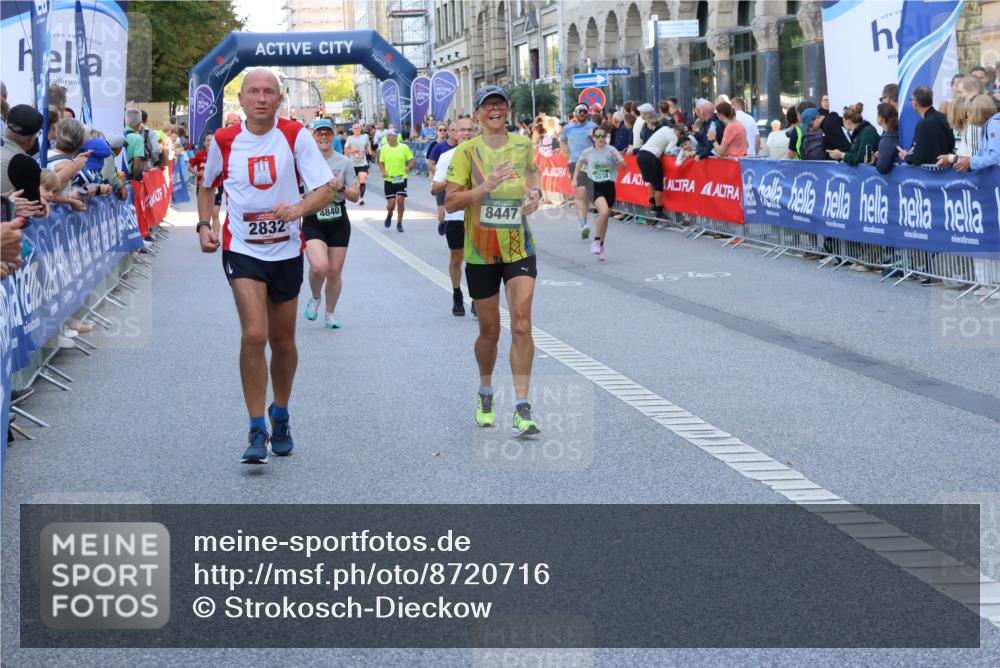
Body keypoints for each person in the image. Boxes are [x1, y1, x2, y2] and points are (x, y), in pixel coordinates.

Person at [196, 68, 334, 464]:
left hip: (287, 251)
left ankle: (281, 413)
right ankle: (256, 425)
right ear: (240, 99)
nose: (260, 98)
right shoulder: (225, 139)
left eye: (268, 92)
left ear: (279, 99)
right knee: (255, 335)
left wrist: (296, 209)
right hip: (242, 249)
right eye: (253, 91)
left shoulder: (295, 136)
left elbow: (326, 191)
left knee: (283, 340)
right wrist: (205, 225)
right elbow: (207, 185)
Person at [444, 85, 543, 436]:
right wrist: (483, 189)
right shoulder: (465, 153)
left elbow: (533, 174)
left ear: (508, 111)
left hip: (519, 246)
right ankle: (486, 392)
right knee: (490, 332)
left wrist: (535, 194)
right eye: (489, 105)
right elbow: (451, 203)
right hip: (481, 252)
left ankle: (521, 406)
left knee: (521, 322)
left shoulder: (522, 145)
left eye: (500, 104)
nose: (496, 109)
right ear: (478, 114)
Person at [301, 118, 359, 330]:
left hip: (337, 220)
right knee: (319, 267)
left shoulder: (343, 162)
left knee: (334, 272)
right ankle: (315, 297)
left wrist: (341, 187)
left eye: (327, 133)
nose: (323, 137)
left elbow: (355, 195)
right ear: (313, 137)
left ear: (333, 136)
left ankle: (330, 313)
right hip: (312, 218)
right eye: (319, 133)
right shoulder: (303, 161)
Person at [432, 117, 476, 316]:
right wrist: (452, 181)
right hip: (455, 215)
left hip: (477, 214)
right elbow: (435, 188)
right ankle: (457, 293)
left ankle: (477, 297)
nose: (466, 133)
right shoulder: (447, 156)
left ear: (475, 132)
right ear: (454, 133)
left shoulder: (482, 155)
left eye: (470, 130)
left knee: (477, 259)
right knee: (457, 258)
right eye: (462, 130)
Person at [573, 128, 625, 261]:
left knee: (606, 216)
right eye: (598, 136)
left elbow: (624, 167)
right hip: (594, 186)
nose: (601, 138)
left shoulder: (612, 150)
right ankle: (596, 241)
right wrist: (575, 177)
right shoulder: (588, 152)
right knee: (603, 212)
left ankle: (601, 245)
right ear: (594, 138)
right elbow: (579, 163)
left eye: (604, 136)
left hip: (609, 186)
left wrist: (618, 161)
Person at [561, 103, 598, 238]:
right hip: (575, 163)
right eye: (580, 111)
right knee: (580, 192)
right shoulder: (568, 128)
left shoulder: (593, 127)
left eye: (584, 111)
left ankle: (584, 220)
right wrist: (566, 149)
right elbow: (562, 141)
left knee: (588, 194)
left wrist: (593, 137)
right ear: (574, 113)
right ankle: (583, 224)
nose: (582, 113)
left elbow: (601, 142)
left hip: (591, 162)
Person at [898, 86, 954, 165]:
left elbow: (918, 159)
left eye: (911, 99)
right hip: (949, 170)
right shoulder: (944, 117)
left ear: (915, 102)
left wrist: (905, 156)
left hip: (932, 174)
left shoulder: (923, 125)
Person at [636, 122, 676, 219]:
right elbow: (668, 150)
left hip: (641, 155)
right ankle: (659, 211)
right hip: (651, 156)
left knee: (651, 181)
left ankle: (653, 205)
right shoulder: (674, 137)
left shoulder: (662, 129)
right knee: (659, 186)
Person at [378, 129, 414, 232]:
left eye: (393, 135)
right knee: (391, 204)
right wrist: (383, 171)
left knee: (400, 200)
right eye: (389, 136)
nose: (391, 137)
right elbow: (381, 163)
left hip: (401, 178)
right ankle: (389, 214)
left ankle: (399, 223)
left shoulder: (404, 147)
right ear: (387, 137)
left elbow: (411, 161)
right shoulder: (384, 149)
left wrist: (409, 168)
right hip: (389, 180)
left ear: (397, 136)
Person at [426, 122, 454, 230]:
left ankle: (449, 221)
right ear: (437, 131)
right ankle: (442, 220)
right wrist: (435, 174)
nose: (442, 132)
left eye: (444, 130)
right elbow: (430, 162)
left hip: (453, 180)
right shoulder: (435, 146)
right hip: (439, 179)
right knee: (441, 206)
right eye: (440, 130)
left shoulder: (458, 146)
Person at [344, 123, 372, 205]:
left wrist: (368, 149)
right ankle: (354, 195)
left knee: (362, 179)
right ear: (352, 130)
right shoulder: (350, 138)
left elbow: (367, 145)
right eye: (355, 128)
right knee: (354, 183)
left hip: (363, 163)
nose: (357, 130)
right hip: (352, 164)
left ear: (361, 129)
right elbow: (345, 150)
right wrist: (353, 151)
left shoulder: (364, 137)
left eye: (358, 128)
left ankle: (360, 198)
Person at [874, 103, 901, 174]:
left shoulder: (887, 140)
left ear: (881, 119)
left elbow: (882, 167)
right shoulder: (900, 134)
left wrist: (874, 161)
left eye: (877, 114)